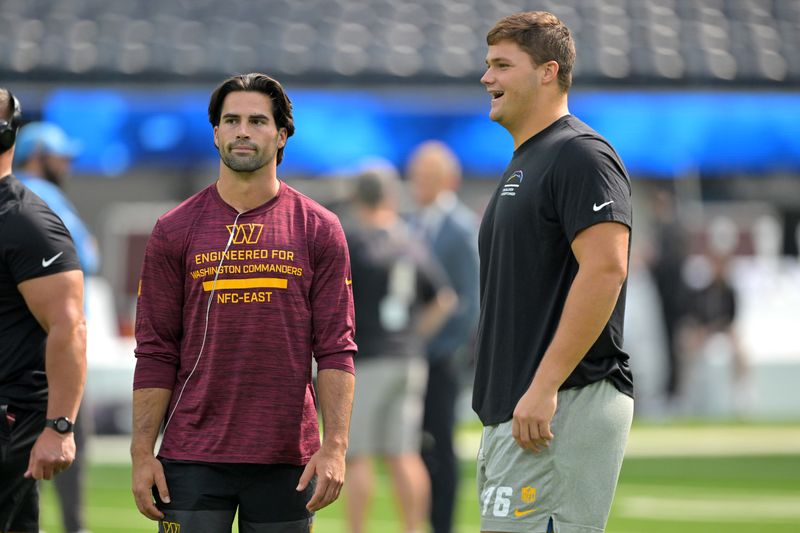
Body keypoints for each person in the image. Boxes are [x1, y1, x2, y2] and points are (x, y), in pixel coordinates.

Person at [130, 73, 356, 533]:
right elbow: (155, 350)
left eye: (257, 120)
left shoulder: (320, 228)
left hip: (286, 458)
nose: (243, 131)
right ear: (215, 133)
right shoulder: (173, 229)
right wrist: (140, 454)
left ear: (281, 134)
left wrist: (334, 447)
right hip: (191, 456)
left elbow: (336, 348)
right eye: (231, 120)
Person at [473, 12, 634, 533]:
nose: (486, 78)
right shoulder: (528, 160)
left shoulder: (580, 154)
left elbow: (606, 269)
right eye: (487, 64)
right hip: (524, 409)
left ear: (547, 71)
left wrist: (544, 386)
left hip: (558, 405)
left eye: (501, 64)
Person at [342, 169, 456, 533]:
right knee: (404, 453)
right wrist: (413, 336)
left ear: (359, 197)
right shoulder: (409, 239)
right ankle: (413, 528)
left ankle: (357, 529)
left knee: (357, 454)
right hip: (408, 359)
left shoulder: (355, 240)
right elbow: (443, 299)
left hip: (370, 357)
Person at [0, 88, 87, 533]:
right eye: (62, 157)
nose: (67, 166)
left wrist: (59, 425)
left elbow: (69, 322)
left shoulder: (27, 215)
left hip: (12, 410)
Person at [15, 121, 99, 533]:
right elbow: (86, 256)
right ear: (37, 155)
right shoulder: (40, 198)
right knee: (65, 445)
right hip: (46, 353)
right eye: (59, 156)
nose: (66, 164)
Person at [406, 140, 479, 533]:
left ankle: (443, 525)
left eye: (427, 175)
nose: (418, 182)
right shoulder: (411, 222)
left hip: (442, 357)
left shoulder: (461, 228)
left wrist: (444, 348)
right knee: (416, 446)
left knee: (442, 445)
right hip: (413, 354)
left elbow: (469, 300)